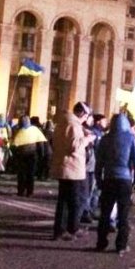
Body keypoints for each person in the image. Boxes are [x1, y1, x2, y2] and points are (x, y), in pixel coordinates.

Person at [95, 111, 135, 255]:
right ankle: (121, 245)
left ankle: (101, 242)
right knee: (123, 214)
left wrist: (98, 179)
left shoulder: (105, 139)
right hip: (125, 179)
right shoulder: (131, 138)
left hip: (109, 178)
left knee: (105, 213)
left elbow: (99, 162)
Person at [51, 102, 95, 241]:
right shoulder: (73, 125)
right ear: (83, 114)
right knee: (76, 200)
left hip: (64, 166)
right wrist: (88, 139)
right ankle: (72, 229)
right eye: (87, 116)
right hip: (73, 168)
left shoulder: (64, 122)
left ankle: (60, 230)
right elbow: (74, 146)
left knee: (63, 201)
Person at [11, 115, 47, 197]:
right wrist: (41, 155)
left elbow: (14, 145)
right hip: (32, 155)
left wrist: (14, 156)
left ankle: (21, 191)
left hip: (23, 155)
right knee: (29, 174)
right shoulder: (35, 130)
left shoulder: (19, 130)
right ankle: (29, 192)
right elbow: (40, 143)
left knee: (22, 174)